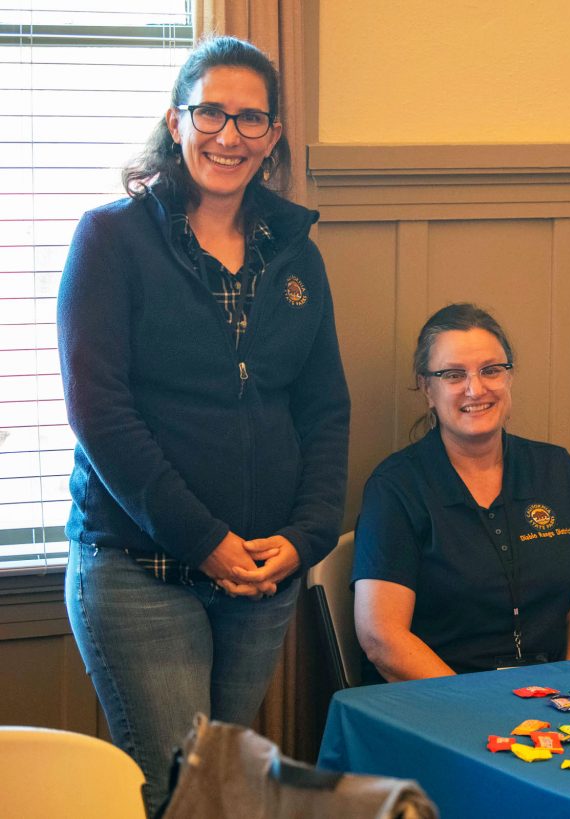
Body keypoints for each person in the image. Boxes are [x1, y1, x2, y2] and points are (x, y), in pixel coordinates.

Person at [58, 36, 350, 816]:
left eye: (251, 118)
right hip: (139, 575)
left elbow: (325, 410)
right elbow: (101, 415)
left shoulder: (295, 256)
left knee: (220, 789)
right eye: (211, 112)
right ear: (176, 121)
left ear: (275, 134)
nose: (230, 135)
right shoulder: (111, 240)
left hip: (263, 577)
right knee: (182, 793)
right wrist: (205, 541)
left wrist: (308, 536)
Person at [352, 303, 570, 682]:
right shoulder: (395, 487)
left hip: (554, 702)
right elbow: (382, 637)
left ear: (509, 377)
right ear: (427, 388)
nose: (476, 388)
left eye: (491, 370)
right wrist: (475, 706)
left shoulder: (555, 469)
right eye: (454, 375)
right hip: (442, 703)